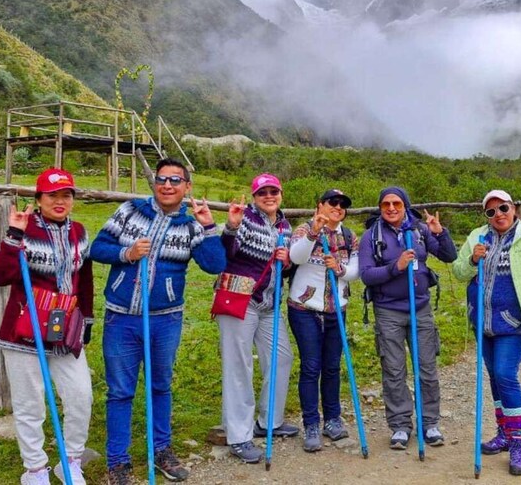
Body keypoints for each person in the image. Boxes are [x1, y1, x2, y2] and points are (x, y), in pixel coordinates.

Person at [90, 158, 226, 484]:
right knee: (120, 391)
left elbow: (215, 263)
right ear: (155, 183)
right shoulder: (130, 210)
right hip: (121, 319)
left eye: (175, 180)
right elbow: (97, 247)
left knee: (160, 386)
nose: (167, 185)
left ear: (187, 187)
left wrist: (209, 226)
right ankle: (118, 463)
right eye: (162, 179)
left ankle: (161, 449)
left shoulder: (191, 226)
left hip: (165, 320)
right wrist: (127, 253)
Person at [0, 168, 94, 485]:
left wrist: (86, 322)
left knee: (80, 397)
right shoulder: (24, 228)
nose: (60, 201)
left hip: (64, 331)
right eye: (52, 195)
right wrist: (14, 236)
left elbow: (84, 281)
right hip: (24, 329)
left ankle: (70, 461)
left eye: (66, 195)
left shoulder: (79, 231)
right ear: (39, 198)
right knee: (30, 403)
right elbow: (0, 275)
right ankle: (35, 469)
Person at [451, 190, 521, 476]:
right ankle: (503, 432)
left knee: (504, 374)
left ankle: (518, 442)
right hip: (483, 321)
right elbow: (458, 271)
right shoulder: (478, 237)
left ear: (514, 208)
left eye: (502, 208)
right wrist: (472, 261)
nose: (498, 215)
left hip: (515, 323)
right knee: (495, 378)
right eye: (491, 212)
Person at [358, 186, 457, 450]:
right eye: (386, 204)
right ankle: (400, 426)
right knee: (393, 370)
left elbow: (449, 256)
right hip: (388, 311)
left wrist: (440, 232)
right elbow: (366, 275)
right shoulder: (371, 236)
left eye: (397, 204)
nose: (391, 208)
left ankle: (430, 423)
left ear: (405, 205)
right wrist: (396, 266)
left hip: (420, 308)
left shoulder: (420, 231)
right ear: (380, 208)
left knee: (426, 368)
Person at [216, 173, 296, 464]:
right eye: (262, 193)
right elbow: (226, 253)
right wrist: (232, 227)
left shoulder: (285, 226)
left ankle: (269, 421)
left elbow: (284, 268)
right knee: (239, 366)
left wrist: (285, 261)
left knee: (282, 358)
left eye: (273, 191)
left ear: (281, 193)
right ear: (254, 196)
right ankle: (239, 436)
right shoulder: (245, 219)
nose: (269, 196)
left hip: (269, 304)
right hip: (240, 298)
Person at [287, 189, 360, 452]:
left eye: (343, 204)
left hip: (337, 309)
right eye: (333, 202)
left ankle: (332, 419)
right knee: (311, 366)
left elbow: (355, 270)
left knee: (331, 366)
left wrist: (339, 269)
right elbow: (296, 257)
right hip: (305, 307)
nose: (338, 207)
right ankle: (311, 424)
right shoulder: (303, 229)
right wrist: (314, 233)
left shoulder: (350, 236)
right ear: (320, 205)